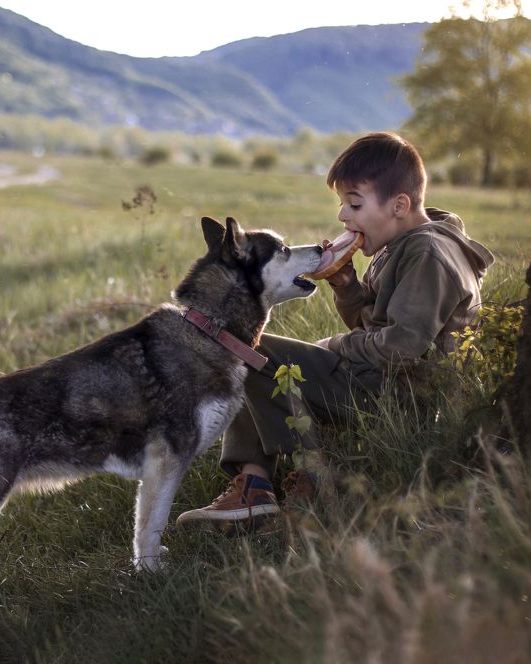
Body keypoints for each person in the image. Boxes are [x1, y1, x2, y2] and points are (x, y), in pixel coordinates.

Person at [176, 131, 495, 530]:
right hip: (387, 380)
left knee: (245, 350)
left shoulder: (427, 253)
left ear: (399, 205)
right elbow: (377, 326)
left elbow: (401, 348)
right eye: (343, 204)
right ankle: (259, 483)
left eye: (355, 204)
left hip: (405, 395)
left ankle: (294, 480)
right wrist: (348, 289)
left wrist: (335, 346)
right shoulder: (403, 244)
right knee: (258, 357)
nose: (344, 217)